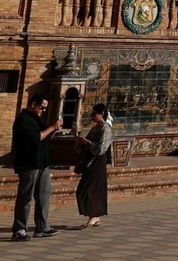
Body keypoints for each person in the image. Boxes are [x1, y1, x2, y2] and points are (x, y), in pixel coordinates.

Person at [10, 94, 63, 241]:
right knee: (25, 197)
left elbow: (45, 136)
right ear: (33, 104)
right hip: (29, 164)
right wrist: (51, 127)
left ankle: (42, 227)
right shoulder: (23, 120)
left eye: (45, 108)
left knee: (44, 196)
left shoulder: (38, 118)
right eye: (42, 107)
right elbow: (35, 138)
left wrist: (54, 129)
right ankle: (19, 229)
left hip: (42, 163)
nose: (43, 111)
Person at [75, 103, 114, 227]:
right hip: (90, 161)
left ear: (101, 114)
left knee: (90, 189)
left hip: (97, 162)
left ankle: (94, 215)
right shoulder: (96, 127)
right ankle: (94, 215)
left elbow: (101, 148)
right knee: (84, 189)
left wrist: (88, 143)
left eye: (94, 114)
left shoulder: (105, 128)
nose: (92, 116)